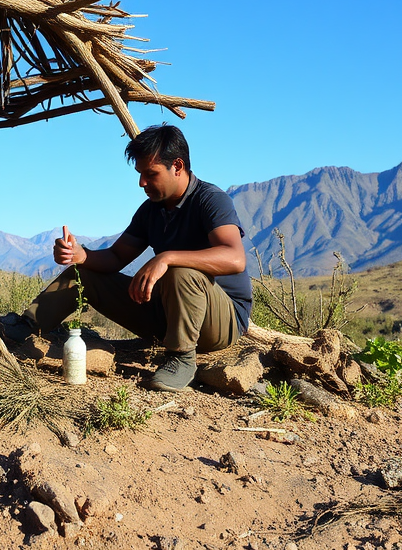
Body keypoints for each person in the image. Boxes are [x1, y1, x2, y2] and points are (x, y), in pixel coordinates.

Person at [22, 124, 253, 391]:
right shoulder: (151, 210)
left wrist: (166, 257)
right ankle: (27, 325)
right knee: (82, 273)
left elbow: (235, 258)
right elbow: (116, 256)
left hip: (219, 323)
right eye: (140, 174)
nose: (141, 182)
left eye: (150, 173)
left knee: (181, 271)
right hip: (167, 312)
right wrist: (80, 254)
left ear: (177, 166)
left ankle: (181, 358)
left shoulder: (211, 200)